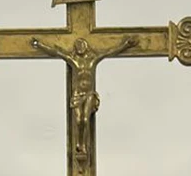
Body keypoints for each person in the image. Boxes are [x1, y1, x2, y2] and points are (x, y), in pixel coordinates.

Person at [31, 36, 137, 166]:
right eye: (77, 46)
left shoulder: (93, 60)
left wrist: (126, 45)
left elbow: (109, 52)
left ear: (86, 47)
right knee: (78, 120)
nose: (79, 48)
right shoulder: (73, 61)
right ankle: (79, 145)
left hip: (89, 94)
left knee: (85, 120)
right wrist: (40, 45)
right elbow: (57, 52)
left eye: (82, 45)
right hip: (77, 95)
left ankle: (84, 147)